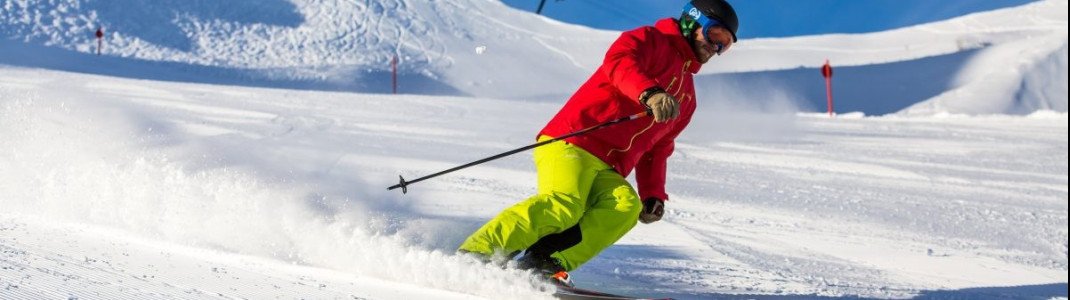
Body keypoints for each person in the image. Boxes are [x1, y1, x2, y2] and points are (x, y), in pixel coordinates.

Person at [458, 0, 739, 286]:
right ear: (693, 21)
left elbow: (658, 148)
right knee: (563, 204)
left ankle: (543, 262)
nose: (716, 48)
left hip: (609, 166)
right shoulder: (650, 40)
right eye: (715, 35)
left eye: (725, 45)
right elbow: (619, 63)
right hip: (574, 140)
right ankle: (476, 253)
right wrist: (649, 92)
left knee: (624, 208)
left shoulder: (687, 98)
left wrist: (653, 193)